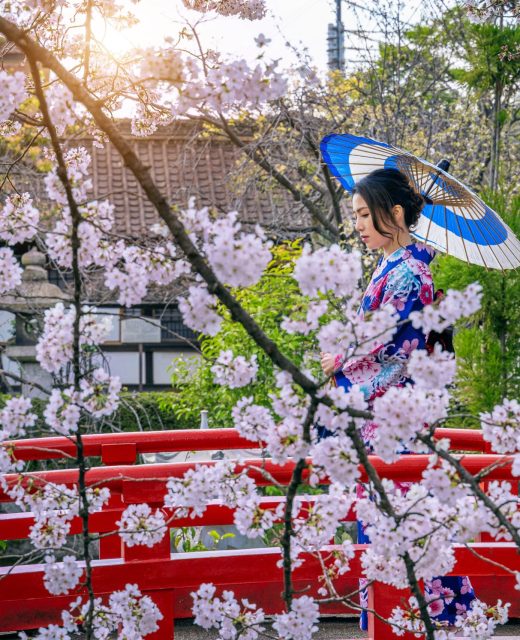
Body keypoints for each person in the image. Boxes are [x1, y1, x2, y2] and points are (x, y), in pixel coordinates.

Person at [320, 168, 476, 631]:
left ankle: (430, 622)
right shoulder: (394, 264)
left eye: (367, 214)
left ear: (397, 212)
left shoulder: (410, 272)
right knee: (393, 529)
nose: (360, 225)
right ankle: (405, 623)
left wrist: (340, 360)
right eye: (357, 216)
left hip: (394, 419)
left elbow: (390, 346)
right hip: (383, 420)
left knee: (404, 527)